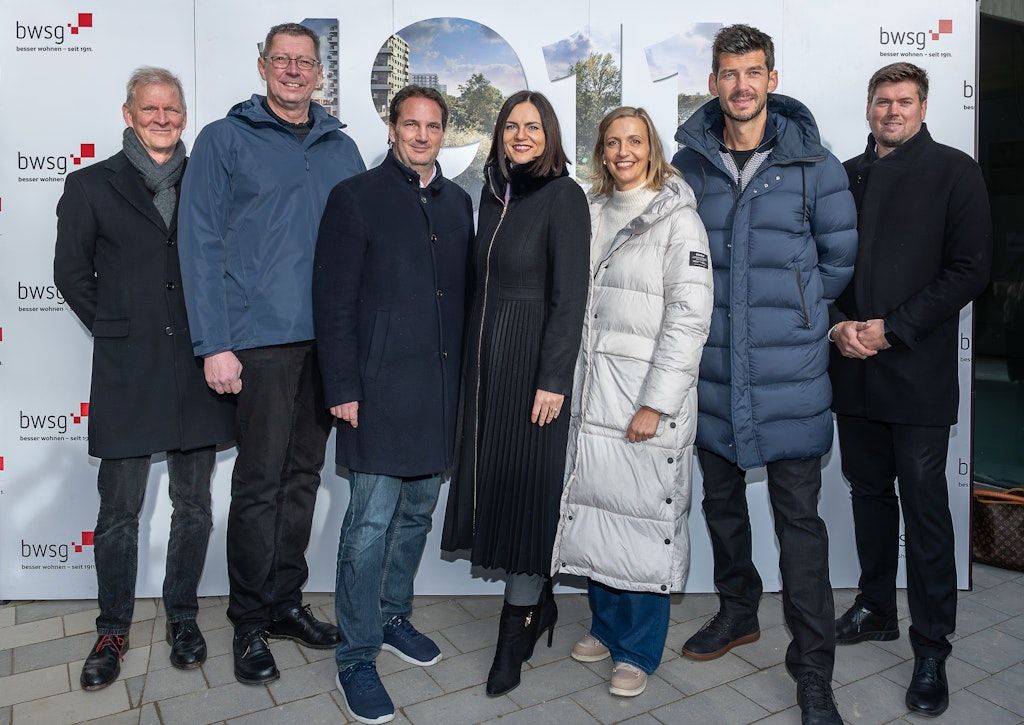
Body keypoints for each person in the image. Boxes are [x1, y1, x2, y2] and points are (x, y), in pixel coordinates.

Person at [671, 24, 857, 725]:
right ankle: (738, 611)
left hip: (791, 375)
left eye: (753, 72)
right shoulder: (689, 165)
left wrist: (802, 319)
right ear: (713, 82)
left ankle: (813, 671)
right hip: (713, 370)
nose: (741, 85)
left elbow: (838, 261)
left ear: (772, 80)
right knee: (722, 507)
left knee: (799, 525)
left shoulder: (815, 165)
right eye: (729, 73)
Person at [177, 22, 365, 685]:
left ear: (318, 73)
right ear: (262, 67)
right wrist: (214, 343)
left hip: (327, 343)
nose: (292, 70)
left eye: (303, 61)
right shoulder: (223, 140)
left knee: (303, 478)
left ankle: (285, 601)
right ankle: (248, 621)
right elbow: (199, 244)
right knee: (259, 483)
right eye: (281, 59)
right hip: (257, 343)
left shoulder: (342, 148)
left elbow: (361, 244)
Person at [53, 67, 236, 691]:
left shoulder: (209, 181)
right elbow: (71, 274)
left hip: (199, 365)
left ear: (184, 116)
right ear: (128, 115)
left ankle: (183, 617)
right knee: (118, 513)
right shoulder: (89, 186)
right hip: (128, 372)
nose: (163, 118)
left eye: (172, 108)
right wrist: (118, 327)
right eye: (150, 108)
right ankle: (113, 629)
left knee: (194, 506)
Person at [830, 62, 992, 718]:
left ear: (922, 108)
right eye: (882, 101)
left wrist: (891, 329)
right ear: (869, 108)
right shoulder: (844, 176)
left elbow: (971, 269)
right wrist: (838, 324)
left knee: (924, 506)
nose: (892, 111)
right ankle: (875, 607)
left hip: (917, 372)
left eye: (904, 101)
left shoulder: (955, 172)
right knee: (868, 493)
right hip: (852, 369)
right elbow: (819, 264)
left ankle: (932, 646)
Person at [312, 85, 473, 725]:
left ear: (443, 133)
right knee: (368, 526)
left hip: (438, 395)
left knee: (415, 517)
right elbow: (332, 301)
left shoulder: (458, 203)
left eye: (433, 126)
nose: (422, 135)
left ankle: (392, 616)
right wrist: (342, 387)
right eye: (411, 124)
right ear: (391, 128)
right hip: (376, 394)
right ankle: (356, 655)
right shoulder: (354, 197)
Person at [550, 106, 712, 698]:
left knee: (642, 521)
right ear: (602, 150)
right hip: (594, 393)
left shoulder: (678, 220)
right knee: (599, 510)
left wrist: (656, 404)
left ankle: (638, 649)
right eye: (613, 142)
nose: (624, 152)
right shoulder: (590, 211)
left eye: (635, 141)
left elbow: (689, 320)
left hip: (644, 399)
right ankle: (605, 626)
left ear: (652, 147)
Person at [441, 90, 590, 696]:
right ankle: (540, 603)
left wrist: (553, 380)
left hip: (534, 374)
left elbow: (570, 298)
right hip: (488, 372)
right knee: (500, 489)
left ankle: (515, 629)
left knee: (529, 494)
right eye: (511, 126)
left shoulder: (565, 196)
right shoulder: (493, 194)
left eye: (532, 126)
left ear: (549, 135)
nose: (521, 135)